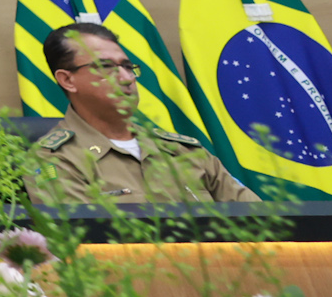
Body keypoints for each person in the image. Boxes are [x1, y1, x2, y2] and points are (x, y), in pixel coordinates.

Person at [28, 22, 255, 204]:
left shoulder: (183, 150)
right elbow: (86, 245)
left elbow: (264, 221)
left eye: (127, 67)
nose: (127, 79)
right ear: (68, 80)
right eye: (106, 67)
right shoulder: (55, 160)